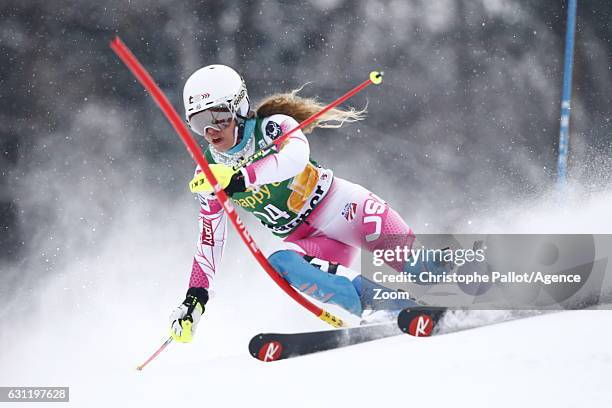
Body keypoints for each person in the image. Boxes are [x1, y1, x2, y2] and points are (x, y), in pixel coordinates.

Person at [169, 65, 423, 343]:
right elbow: (210, 240)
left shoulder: (272, 128)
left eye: (218, 117)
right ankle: (380, 306)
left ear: (239, 108)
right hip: (311, 242)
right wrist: (196, 297)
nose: (210, 131)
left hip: (347, 209)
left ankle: (460, 276)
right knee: (280, 261)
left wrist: (241, 178)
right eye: (197, 122)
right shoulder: (208, 171)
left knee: (424, 273)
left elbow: (296, 158)